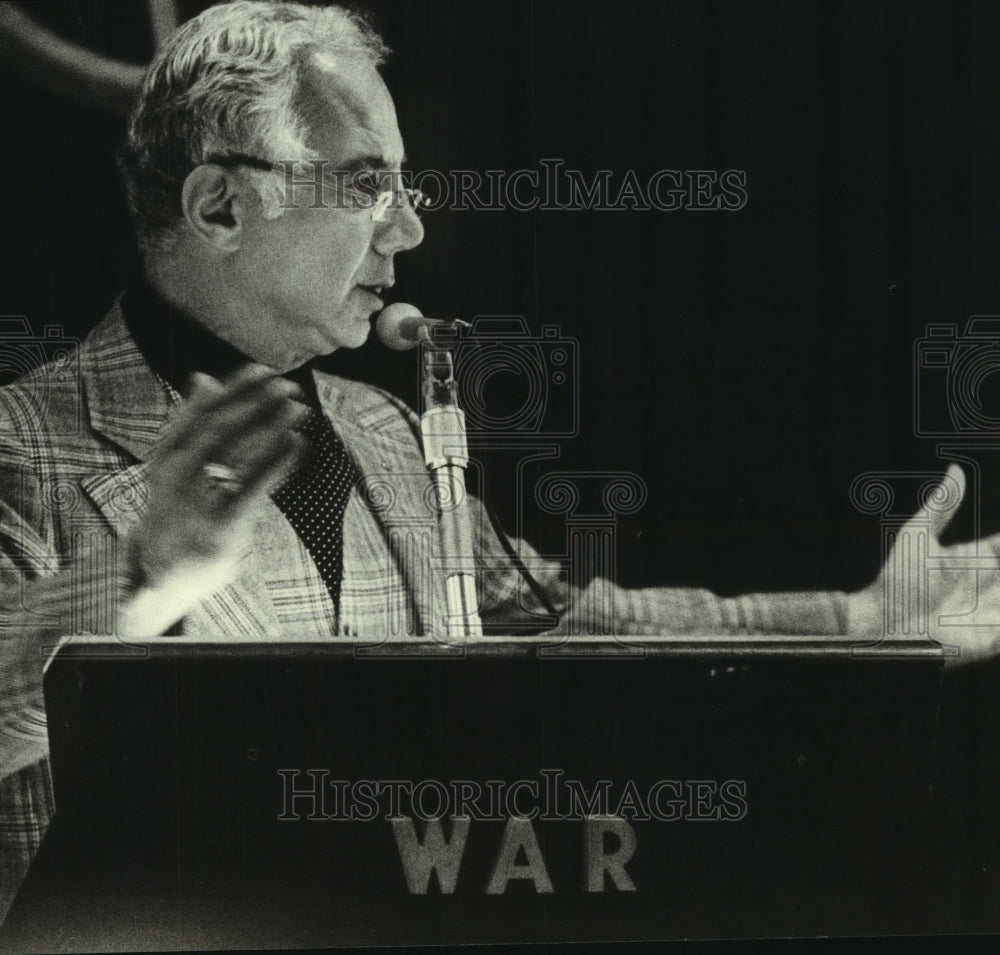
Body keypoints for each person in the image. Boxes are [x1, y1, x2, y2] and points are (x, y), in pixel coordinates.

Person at [0, 0, 997, 923]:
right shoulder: (19, 442)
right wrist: (141, 579)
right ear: (218, 205)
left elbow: (563, 623)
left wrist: (862, 622)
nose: (411, 227)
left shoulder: (384, 433)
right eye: (366, 185)